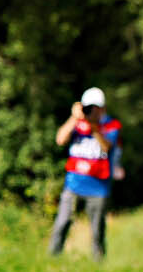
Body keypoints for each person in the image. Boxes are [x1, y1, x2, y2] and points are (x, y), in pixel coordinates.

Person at [50, 86, 122, 260]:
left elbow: (106, 147)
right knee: (62, 223)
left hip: (98, 187)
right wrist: (74, 118)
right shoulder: (77, 123)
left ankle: (98, 264)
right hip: (73, 184)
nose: (90, 111)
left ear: (102, 108)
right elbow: (60, 139)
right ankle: (52, 260)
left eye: (94, 108)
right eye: (87, 107)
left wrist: (93, 127)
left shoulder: (111, 125)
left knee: (97, 231)